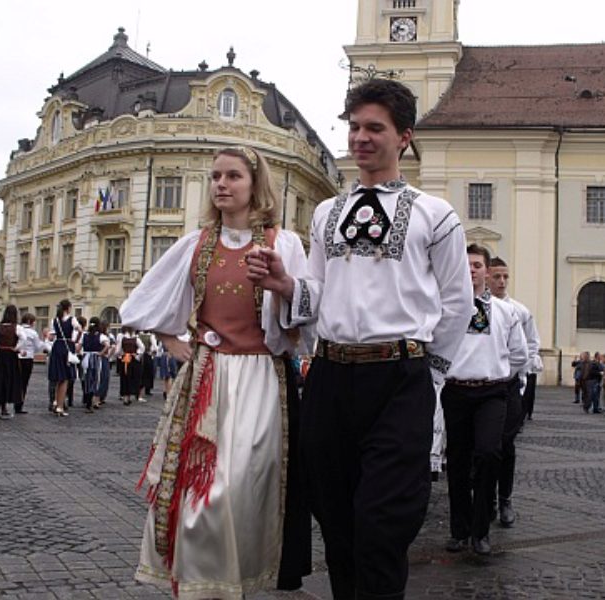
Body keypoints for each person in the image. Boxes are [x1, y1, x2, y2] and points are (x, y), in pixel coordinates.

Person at [247, 79, 475, 599]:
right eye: (354, 127)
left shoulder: (434, 214)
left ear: (404, 138)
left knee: (382, 525)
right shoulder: (328, 213)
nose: (361, 138)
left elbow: (457, 302)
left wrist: (430, 375)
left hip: (399, 377)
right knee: (336, 521)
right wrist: (286, 285)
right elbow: (322, 291)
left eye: (375, 127)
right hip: (330, 377)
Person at [121, 145, 314, 599]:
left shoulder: (282, 243)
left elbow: (306, 314)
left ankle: (237, 577)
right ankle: (200, 585)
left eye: (232, 176)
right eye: (215, 177)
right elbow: (143, 303)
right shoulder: (196, 244)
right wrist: (172, 340)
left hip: (261, 380)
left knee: (241, 487)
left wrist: (283, 288)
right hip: (208, 377)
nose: (221, 185)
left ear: (254, 184)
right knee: (199, 490)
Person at [441, 245, 527, 555]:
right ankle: (460, 530)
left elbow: (519, 353)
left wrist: (500, 373)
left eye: (477, 265)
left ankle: (481, 531)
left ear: (486, 272)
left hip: (492, 391)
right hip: (457, 391)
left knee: (490, 453)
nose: (472, 270)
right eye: (467, 265)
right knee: (459, 462)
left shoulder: (506, 312)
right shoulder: (448, 307)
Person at [487, 256, 541, 528]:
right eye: (496, 276)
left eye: (505, 277)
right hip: (482, 387)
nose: (502, 282)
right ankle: (487, 502)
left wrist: (514, 376)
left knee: (506, 445)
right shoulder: (476, 307)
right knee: (484, 448)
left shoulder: (519, 311)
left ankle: (505, 498)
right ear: (487, 277)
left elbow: (531, 346)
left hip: (509, 387)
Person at [0, 304, 26, 419]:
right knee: (9, 378)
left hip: (0, 354)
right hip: (11, 355)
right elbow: (24, 339)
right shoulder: (17, 328)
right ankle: (4, 406)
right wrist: (17, 348)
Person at [48, 299, 81, 417]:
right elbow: (80, 329)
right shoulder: (72, 319)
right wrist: (76, 341)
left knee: (57, 377)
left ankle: (56, 402)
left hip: (57, 347)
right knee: (65, 378)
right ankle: (60, 406)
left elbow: (51, 337)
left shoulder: (55, 320)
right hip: (67, 347)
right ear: (69, 308)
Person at [18, 313, 47, 414]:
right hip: (27, 358)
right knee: (24, 382)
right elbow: (38, 346)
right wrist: (44, 341)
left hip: (17, 357)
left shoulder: (18, 329)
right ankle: (19, 404)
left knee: (17, 381)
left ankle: (14, 402)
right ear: (30, 322)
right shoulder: (32, 333)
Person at [81, 317, 111, 412]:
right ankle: (91, 402)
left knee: (87, 379)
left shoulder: (84, 335)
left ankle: (88, 400)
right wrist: (101, 353)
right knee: (95, 379)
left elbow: (78, 346)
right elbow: (107, 345)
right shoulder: (100, 336)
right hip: (95, 358)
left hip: (86, 357)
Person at [115, 326, 144, 405]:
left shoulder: (122, 338)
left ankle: (125, 397)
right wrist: (136, 354)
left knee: (125, 378)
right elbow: (142, 348)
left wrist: (121, 355)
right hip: (133, 360)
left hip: (125, 360)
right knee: (132, 378)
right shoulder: (136, 339)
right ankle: (129, 396)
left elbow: (117, 351)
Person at [138, 330, 158, 402]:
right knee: (146, 375)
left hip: (139, 356)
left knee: (140, 374)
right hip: (147, 356)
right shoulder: (151, 336)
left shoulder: (138, 336)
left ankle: (138, 393)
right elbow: (155, 347)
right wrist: (153, 353)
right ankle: (142, 394)